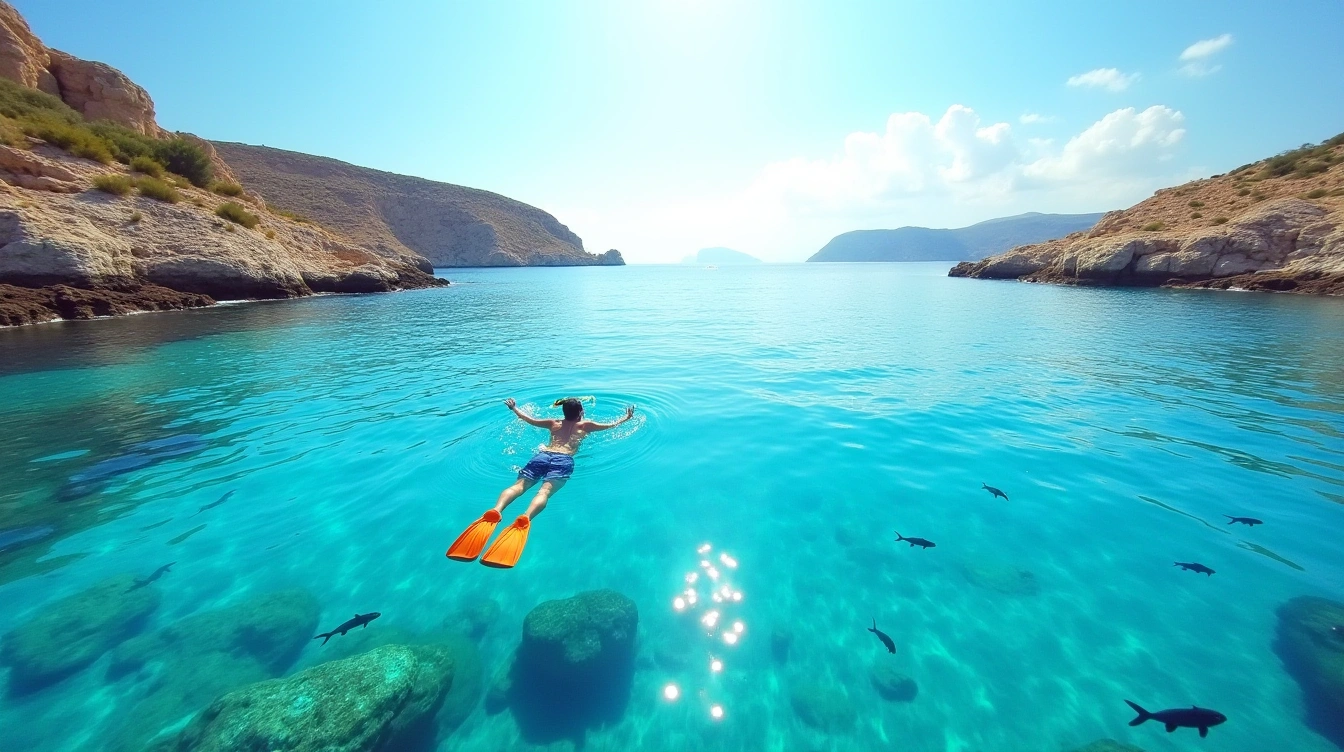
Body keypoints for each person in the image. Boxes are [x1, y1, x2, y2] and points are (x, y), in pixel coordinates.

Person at [446, 397, 636, 568]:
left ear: (563, 411)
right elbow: (612, 426)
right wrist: (627, 418)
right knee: (543, 493)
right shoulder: (586, 425)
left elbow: (528, 419)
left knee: (518, 486)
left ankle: (496, 509)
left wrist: (514, 408)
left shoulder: (552, 423)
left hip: (542, 455)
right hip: (563, 460)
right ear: (580, 413)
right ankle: (526, 517)